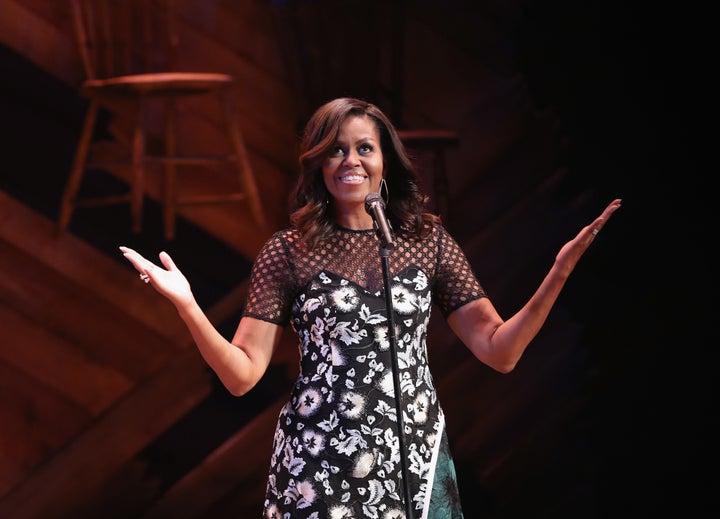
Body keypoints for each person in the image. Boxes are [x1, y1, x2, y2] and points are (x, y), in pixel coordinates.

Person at [120, 96, 621, 518]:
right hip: (319, 461)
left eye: (364, 148)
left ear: (386, 162)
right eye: (336, 150)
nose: (351, 161)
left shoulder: (427, 241)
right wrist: (188, 305)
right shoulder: (289, 250)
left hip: (414, 459)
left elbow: (499, 351)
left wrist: (557, 275)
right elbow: (242, 375)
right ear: (318, 163)